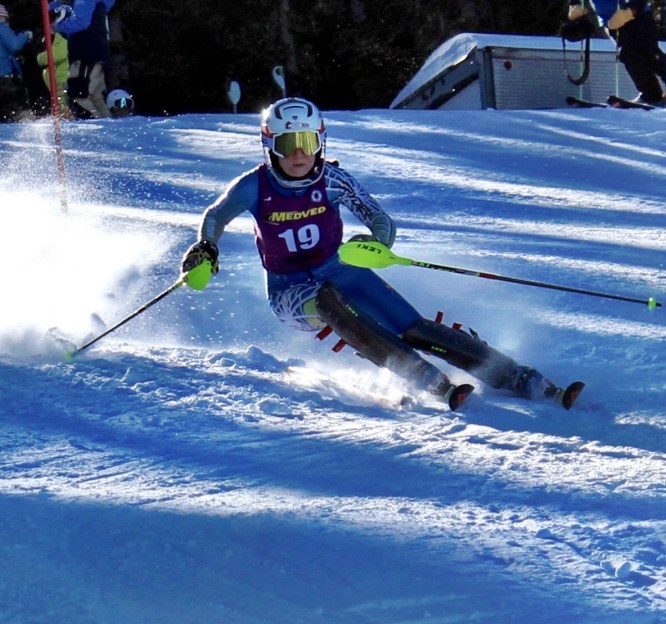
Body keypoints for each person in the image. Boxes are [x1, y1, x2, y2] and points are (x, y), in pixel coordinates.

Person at [180, 97, 579, 411]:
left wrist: (378, 244)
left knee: (412, 326)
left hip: (340, 268)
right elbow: (215, 216)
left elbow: (379, 220)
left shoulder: (334, 179)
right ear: (269, 145)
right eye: (287, 144)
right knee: (327, 303)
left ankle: (517, 376)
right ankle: (423, 378)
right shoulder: (254, 186)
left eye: (307, 142)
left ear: (320, 141)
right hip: (289, 290)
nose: (298, 154)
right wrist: (206, 246)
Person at [49, 0, 116, 118]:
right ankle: (109, 125)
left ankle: (99, 126)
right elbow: (56, 12)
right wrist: (57, 4)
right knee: (95, 96)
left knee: (78, 92)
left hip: (87, 53)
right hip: (93, 53)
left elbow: (81, 22)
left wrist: (57, 26)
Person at [36, 20, 71, 117]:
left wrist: (39, 58)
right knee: (60, 107)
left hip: (61, 80)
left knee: (63, 106)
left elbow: (56, 55)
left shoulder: (61, 39)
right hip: (55, 82)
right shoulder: (49, 41)